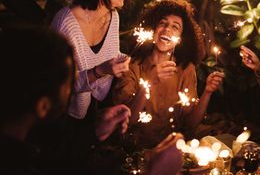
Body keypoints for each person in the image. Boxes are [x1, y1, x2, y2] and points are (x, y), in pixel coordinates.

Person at [0, 26, 184, 175]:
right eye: (69, 81)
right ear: (43, 106)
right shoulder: (16, 166)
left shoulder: (29, 145)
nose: (75, 85)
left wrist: (94, 132)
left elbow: (56, 158)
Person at [113, 0, 224, 148]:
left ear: (181, 38)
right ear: (153, 28)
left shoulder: (186, 69)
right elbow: (127, 120)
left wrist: (208, 92)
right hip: (134, 149)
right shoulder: (132, 65)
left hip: (169, 150)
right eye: (163, 23)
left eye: (175, 27)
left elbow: (190, 125)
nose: (167, 30)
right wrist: (149, 82)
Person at [51, 0, 131, 120]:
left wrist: (130, 60)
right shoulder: (65, 23)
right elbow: (56, 83)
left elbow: (110, 56)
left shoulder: (113, 16)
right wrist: (100, 71)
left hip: (96, 111)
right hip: (61, 117)